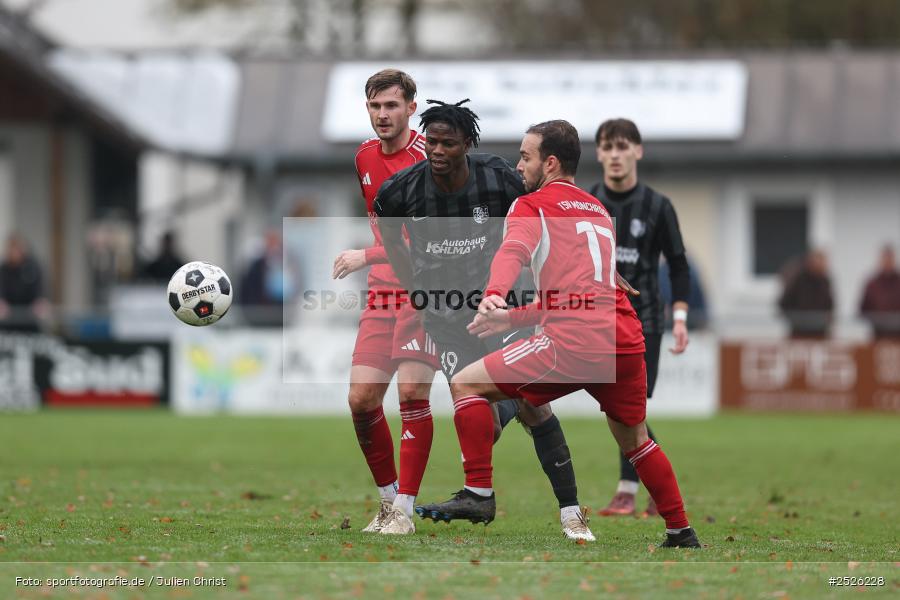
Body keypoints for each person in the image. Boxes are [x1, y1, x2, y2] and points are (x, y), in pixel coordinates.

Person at [442, 119, 699, 548]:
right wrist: (515, 318)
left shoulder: (532, 206)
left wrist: (494, 295)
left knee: (465, 384)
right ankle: (680, 531)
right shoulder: (597, 210)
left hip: (573, 341)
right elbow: (578, 296)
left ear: (551, 162)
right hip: (622, 337)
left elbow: (514, 250)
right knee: (635, 440)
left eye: (526, 156)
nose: (518, 164)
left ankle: (478, 493)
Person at [376, 100, 595, 541]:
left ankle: (572, 515)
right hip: (445, 316)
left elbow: (549, 215)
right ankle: (479, 491)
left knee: (536, 407)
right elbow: (395, 247)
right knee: (478, 412)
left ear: (467, 145)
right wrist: (417, 291)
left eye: (448, 143)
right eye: (431, 142)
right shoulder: (398, 193)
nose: (437, 150)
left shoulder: (498, 178)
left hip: (503, 309)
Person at [330, 69, 440, 535]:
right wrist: (377, 260)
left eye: (391, 106)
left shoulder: (430, 159)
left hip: (427, 289)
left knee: (412, 393)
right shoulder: (363, 157)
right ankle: (388, 503)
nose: (382, 115)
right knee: (361, 398)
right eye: (375, 107)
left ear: (411, 109)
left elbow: (427, 236)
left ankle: (406, 512)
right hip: (382, 290)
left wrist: (365, 254)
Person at [587, 119, 691, 518]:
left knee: (629, 409)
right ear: (598, 153)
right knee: (623, 410)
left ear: (638, 151)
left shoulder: (658, 206)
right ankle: (643, 487)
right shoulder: (587, 201)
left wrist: (679, 316)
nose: (615, 155)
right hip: (595, 320)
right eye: (608, 147)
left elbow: (678, 266)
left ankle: (630, 490)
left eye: (623, 146)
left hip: (644, 320)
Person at [778, 249, 834, 338]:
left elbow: (830, 305)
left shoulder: (825, 281)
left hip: (821, 332)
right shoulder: (799, 280)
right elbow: (784, 303)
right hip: (800, 332)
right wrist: (797, 319)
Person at [0, 234, 49, 332]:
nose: (14, 252)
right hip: (8, 322)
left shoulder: (33, 267)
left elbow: (40, 290)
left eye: (17, 248)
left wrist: (40, 301)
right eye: (12, 248)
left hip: (30, 321)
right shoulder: (3, 269)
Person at [859, 244, 900, 338]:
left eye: (890, 258)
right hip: (878, 336)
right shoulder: (872, 284)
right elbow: (863, 309)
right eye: (885, 258)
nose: (887, 261)